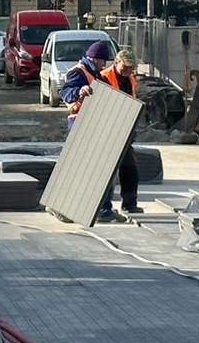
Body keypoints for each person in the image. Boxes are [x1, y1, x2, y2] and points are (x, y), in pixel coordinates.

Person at [95, 50, 144, 222]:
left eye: (130, 68)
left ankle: (130, 203)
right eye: (125, 68)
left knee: (130, 167)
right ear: (116, 63)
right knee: (107, 171)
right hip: (107, 130)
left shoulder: (130, 78)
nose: (127, 71)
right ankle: (103, 208)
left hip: (124, 130)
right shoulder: (103, 77)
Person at [59, 40, 112, 128]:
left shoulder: (95, 73)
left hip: (91, 120)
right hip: (78, 121)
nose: (104, 65)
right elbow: (65, 92)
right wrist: (80, 91)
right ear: (95, 59)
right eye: (103, 60)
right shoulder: (78, 71)